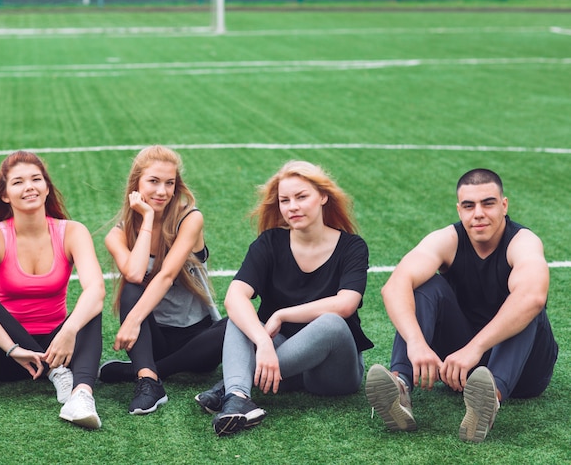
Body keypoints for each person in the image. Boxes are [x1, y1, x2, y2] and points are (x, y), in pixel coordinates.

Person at [365, 168, 558, 443]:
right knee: (424, 286)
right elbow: (395, 285)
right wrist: (416, 342)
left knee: (526, 304)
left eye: (488, 203)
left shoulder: (523, 242)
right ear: (459, 210)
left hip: (526, 370)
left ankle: (491, 398)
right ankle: (400, 386)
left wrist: (474, 349)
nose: (478, 213)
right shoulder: (447, 240)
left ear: (504, 205)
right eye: (469, 206)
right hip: (462, 369)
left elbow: (533, 297)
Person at [196, 160, 373, 436]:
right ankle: (238, 399)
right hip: (285, 364)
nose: (293, 206)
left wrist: (281, 315)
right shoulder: (270, 242)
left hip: (332, 373)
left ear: (323, 197)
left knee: (331, 323)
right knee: (240, 318)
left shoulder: (352, 246)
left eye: (302, 197)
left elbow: (345, 304)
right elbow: (235, 296)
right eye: (285, 200)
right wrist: (263, 340)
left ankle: (231, 385)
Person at [0, 151, 105, 429]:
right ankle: (56, 372)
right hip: (3, 360)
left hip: (59, 350)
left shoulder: (72, 232)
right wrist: (12, 348)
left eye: (36, 179)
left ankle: (81, 395)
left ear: (47, 188)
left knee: (91, 304)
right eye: (18, 182)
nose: (29, 187)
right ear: (5, 195)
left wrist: (69, 331)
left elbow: (96, 288)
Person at [99, 145, 226, 415]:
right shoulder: (117, 235)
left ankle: (144, 372)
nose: (162, 191)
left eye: (169, 183)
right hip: (152, 337)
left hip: (197, 337)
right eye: (153, 181)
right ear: (136, 184)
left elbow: (167, 275)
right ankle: (149, 382)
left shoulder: (190, 218)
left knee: (235, 325)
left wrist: (131, 321)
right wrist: (146, 218)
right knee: (132, 288)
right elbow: (133, 274)